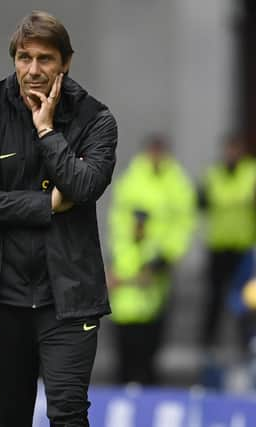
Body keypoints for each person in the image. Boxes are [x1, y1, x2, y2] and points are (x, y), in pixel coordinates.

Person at [0, 11, 117, 426]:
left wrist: (46, 131)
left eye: (45, 59)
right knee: (9, 417)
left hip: (69, 300)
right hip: (2, 299)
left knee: (68, 415)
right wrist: (43, 206)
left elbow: (83, 187)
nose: (34, 70)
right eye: (24, 58)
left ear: (66, 62)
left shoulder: (96, 119)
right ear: (14, 60)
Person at [108, 136, 196, 385]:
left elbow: (183, 225)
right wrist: (114, 261)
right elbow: (118, 221)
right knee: (124, 349)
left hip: (157, 263)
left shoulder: (177, 183)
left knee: (150, 344)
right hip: (129, 263)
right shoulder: (132, 179)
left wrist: (166, 258)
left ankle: (145, 382)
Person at [199, 134, 256, 351]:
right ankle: (209, 344)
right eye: (229, 149)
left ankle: (245, 343)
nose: (232, 154)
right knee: (214, 297)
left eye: (236, 149)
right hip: (218, 245)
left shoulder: (251, 172)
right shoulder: (213, 174)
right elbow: (201, 202)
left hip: (242, 247)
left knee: (246, 298)